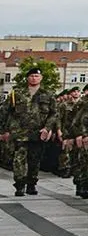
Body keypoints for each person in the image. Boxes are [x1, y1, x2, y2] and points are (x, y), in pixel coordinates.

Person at [1, 67, 57, 196]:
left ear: (41, 78)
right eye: (31, 76)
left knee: (34, 160)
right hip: (19, 132)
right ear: (27, 78)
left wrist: (47, 128)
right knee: (19, 159)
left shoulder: (48, 94)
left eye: (37, 76)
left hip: (37, 133)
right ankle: (19, 185)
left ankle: (31, 183)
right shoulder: (17, 93)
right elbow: (5, 111)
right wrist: (3, 130)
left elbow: (54, 113)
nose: (34, 78)